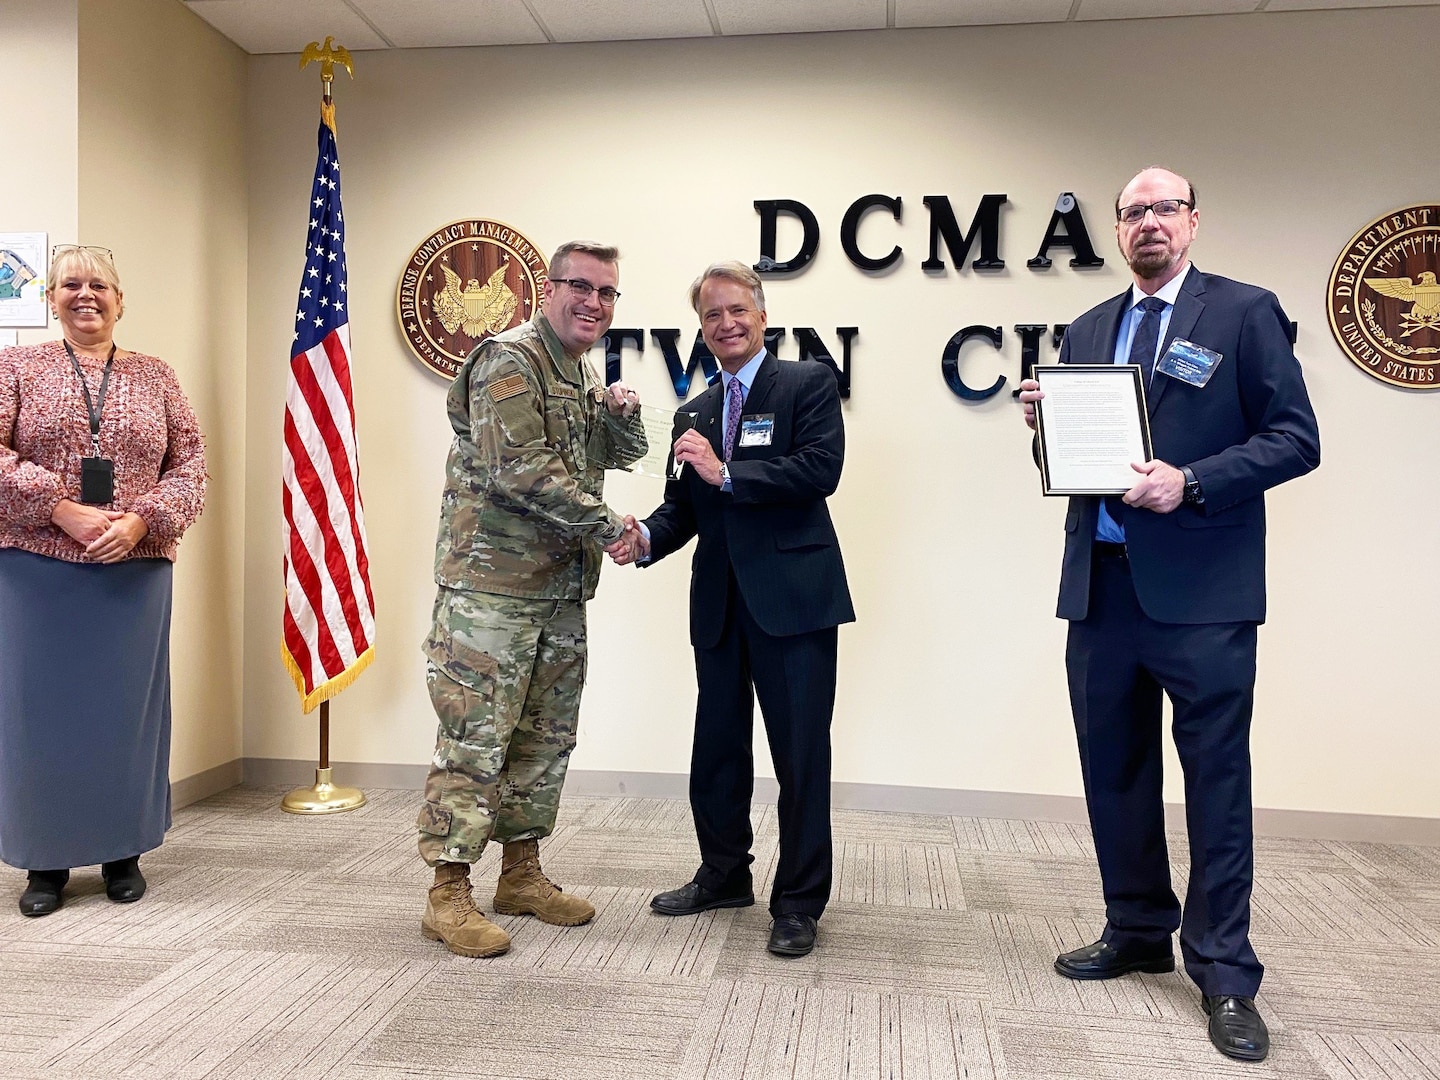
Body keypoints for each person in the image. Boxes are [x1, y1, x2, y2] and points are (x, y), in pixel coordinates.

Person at [1017, 168, 1320, 1062]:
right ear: (1116, 228)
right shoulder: (1087, 327)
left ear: (1193, 222)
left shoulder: (1242, 312)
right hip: (1102, 588)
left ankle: (1225, 971)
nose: (1148, 223)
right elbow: (1079, 456)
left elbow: (1295, 437)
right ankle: (1138, 927)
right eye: (1133, 211)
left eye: (1164, 209)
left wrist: (1190, 483)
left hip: (1204, 599)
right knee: (1113, 771)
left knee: (1216, 786)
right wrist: (1044, 424)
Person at [611, 260, 853, 959]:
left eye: (737, 310)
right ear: (702, 328)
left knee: (800, 755)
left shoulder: (807, 383)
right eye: (712, 315)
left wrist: (728, 473)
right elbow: (685, 507)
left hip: (796, 603)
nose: (726, 323)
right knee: (716, 750)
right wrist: (647, 538)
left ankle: (800, 902)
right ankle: (722, 874)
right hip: (718, 603)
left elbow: (819, 470)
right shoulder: (694, 410)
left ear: (762, 314)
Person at [417, 240, 646, 958]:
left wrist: (617, 411)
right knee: (475, 740)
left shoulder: (577, 372)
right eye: (581, 287)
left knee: (542, 740)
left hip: (557, 592)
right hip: (490, 594)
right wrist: (615, 528)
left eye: (608, 293)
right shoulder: (508, 360)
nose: (594, 303)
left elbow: (615, 455)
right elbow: (524, 472)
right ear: (547, 288)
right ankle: (447, 892)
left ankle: (520, 874)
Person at [0, 244, 207, 916]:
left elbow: (192, 466)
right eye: (69, 284)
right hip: (37, 569)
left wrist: (141, 522)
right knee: (41, 718)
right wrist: (62, 510)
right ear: (50, 298)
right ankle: (45, 864)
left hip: (134, 573)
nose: (84, 295)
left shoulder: (158, 376)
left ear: (121, 300)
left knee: (127, 716)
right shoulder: (15, 367)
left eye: (98, 285)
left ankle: (124, 852)